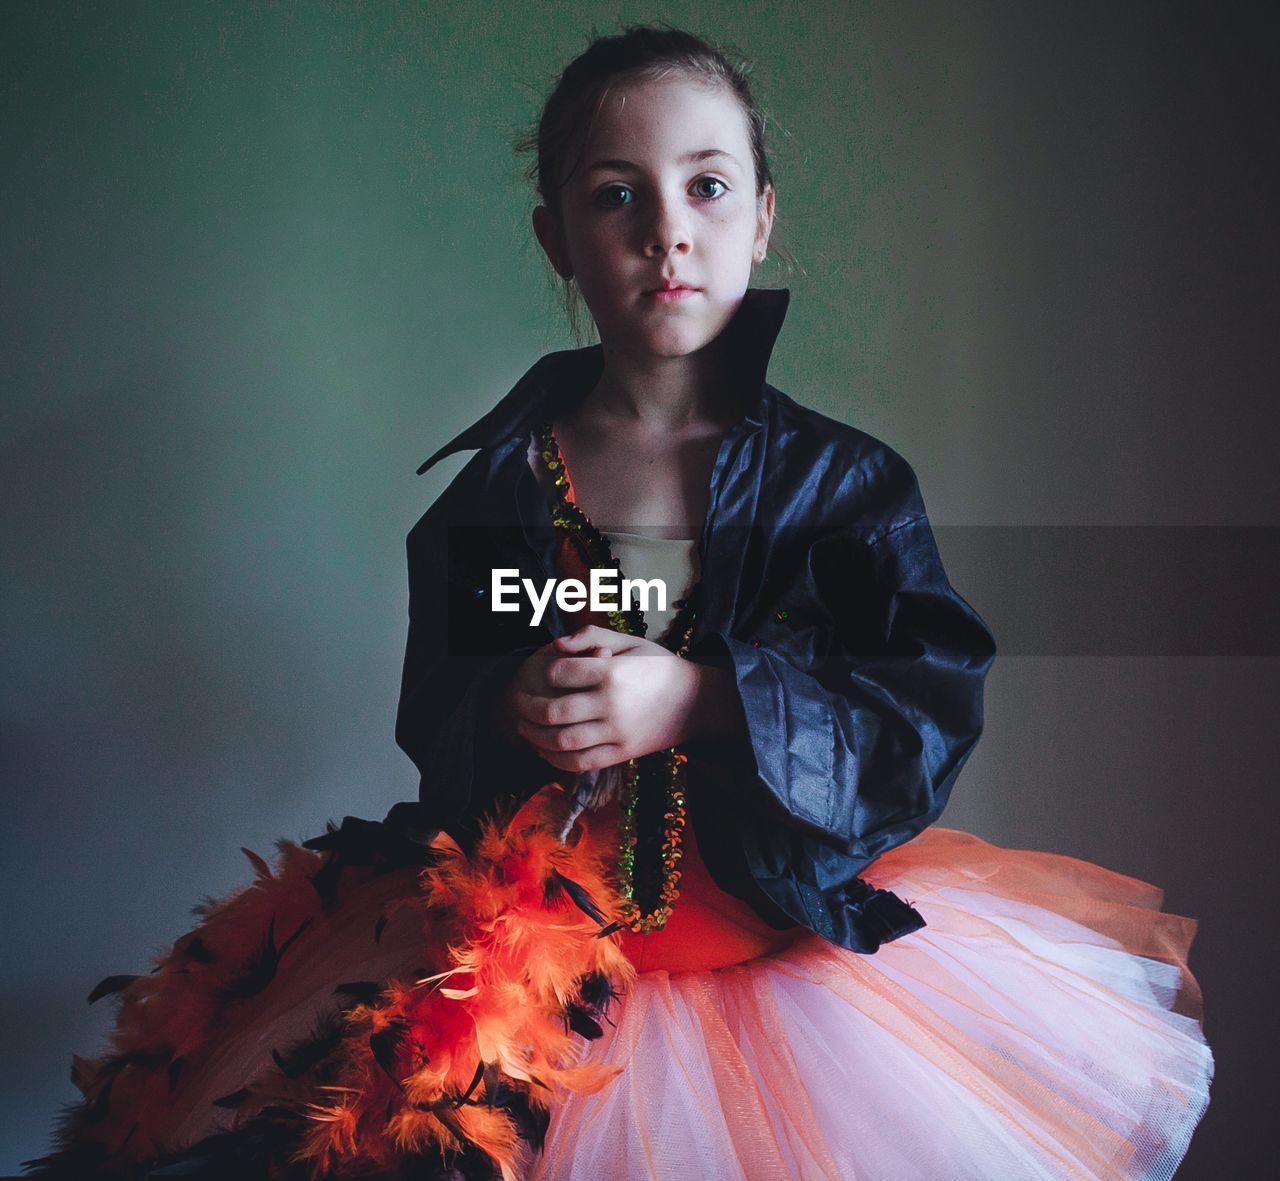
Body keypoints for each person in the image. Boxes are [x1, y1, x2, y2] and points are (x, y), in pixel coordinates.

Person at [26, 24, 1212, 1181]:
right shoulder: (498, 488)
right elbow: (436, 714)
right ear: (557, 241)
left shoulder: (842, 487)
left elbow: (917, 717)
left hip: (775, 972)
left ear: (760, 218)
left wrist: (702, 695)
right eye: (614, 196)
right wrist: (504, 703)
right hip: (534, 999)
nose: (664, 233)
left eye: (704, 188)